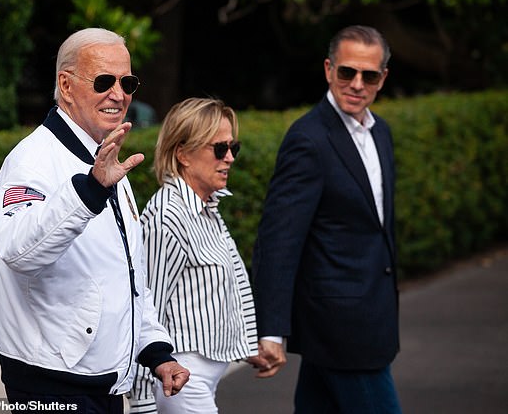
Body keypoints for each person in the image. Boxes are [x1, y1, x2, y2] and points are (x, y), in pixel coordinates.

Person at [0, 28, 189, 414]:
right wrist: (90, 191)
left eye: (127, 81)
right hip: (50, 381)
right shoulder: (31, 160)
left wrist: (156, 352)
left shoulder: (104, 157)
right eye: (103, 81)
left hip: (103, 382)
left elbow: (126, 275)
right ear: (65, 86)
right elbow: (17, 251)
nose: (119, 94)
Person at [252, 25, 402, 413]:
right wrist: (270, 330)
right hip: (343, 332)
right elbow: (278, 240)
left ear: (382, 78)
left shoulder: (381, 133)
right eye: (346, 72)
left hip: (370, 316)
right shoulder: (308, 139)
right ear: (327, 70)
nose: (356, 84)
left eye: (368, 75)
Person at [128, 97, 261, 413]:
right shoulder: (167, 217)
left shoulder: (205, 210)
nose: (229, 158)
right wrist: (144, 404)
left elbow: (220, 296)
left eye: (234, 148)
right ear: (183, 154)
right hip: (182, 382)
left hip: (203, 378)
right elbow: (147, 309)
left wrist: (249, 347)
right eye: (219, 149)